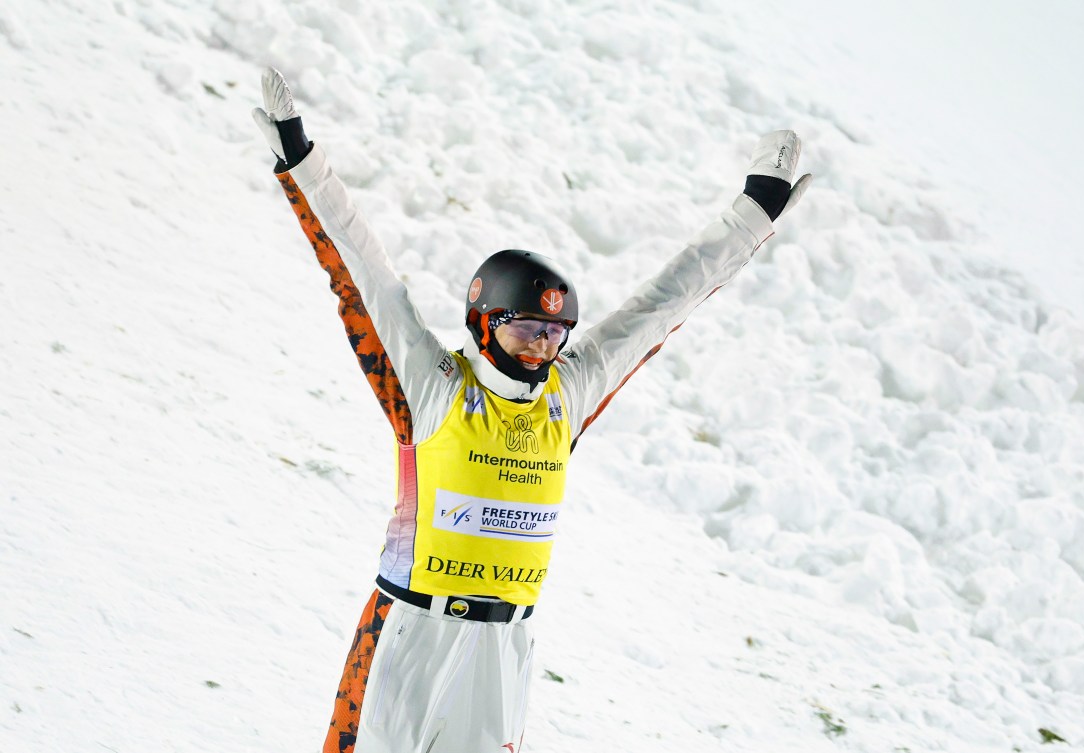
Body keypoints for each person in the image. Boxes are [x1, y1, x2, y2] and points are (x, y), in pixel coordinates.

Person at [253, 67, 810, 753]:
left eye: (554, 334)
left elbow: (665, 303)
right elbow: (362, 273)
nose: (543, 345)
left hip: (499, 652)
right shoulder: (433, 387)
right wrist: (300, 161)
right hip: (408, 636)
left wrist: (754, 212)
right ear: (485, 323)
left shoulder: (564, 398)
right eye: (526, 328)